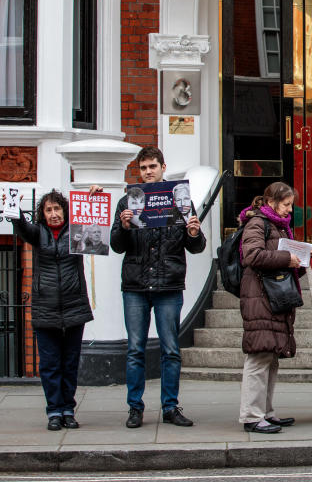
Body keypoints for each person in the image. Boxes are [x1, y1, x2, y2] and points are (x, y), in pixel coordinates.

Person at [95, 146, 205, 429]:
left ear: (163, 167)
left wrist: (194, 232)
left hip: (168, 286)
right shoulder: (126, 203)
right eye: (143, 168)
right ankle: (135, 409)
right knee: (135, 350)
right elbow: (117, 246)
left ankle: (170, 407)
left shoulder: (180, 201)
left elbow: (195, 246)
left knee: (170, 349)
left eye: (152, 166)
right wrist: (123, 227)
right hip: (135, 286)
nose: (148, 172)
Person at [11, 190, 93, 430]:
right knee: (49, 365)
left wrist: (93, 197)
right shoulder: (38, 233)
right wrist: (14, 211)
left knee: (69, 363)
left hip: (74, 307)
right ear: (43, 214)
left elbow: (97, 223)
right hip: (45, 309)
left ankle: (68, 409)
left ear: (65, 211)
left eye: (58, 209)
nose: (54, 214)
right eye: (49, 210)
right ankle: (54, 411)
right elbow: (23, 229)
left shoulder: (77, 231)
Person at [237, 181, 309, 434]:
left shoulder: (278, 225)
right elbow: (252, 256)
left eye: (291, 205)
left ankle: (265, 412)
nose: (289, 210)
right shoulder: (257, 223)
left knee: (270, 357)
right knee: (259, 357)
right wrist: (286, 258)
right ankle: (251, 416)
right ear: (270, 202)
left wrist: (298, 263)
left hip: (272, 297)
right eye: (286, 204)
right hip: (260, 297)